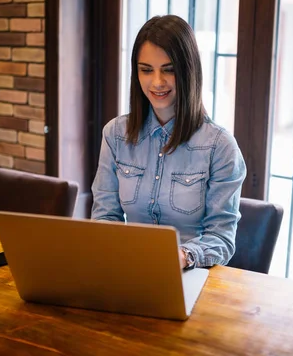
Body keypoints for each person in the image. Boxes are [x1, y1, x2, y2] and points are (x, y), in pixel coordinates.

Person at [91, 15, 247, 269]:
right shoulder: (115, 135)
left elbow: (221, 237)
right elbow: (105, 216)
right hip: (129, 267)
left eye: (169, 69)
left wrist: (183, 256)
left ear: (188, 71)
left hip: (190, 273)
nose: (157, 82)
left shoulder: (220, 147)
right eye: (146, 70)